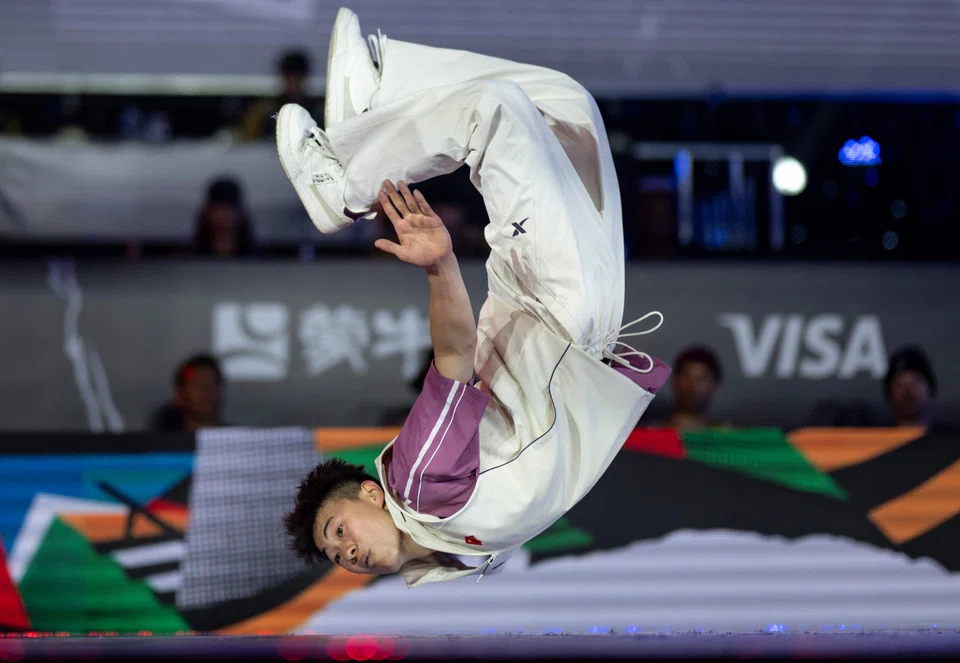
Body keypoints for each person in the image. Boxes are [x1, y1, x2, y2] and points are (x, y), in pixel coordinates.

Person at [280, 7, 670, 587]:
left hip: (551, 307)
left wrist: (440, 265)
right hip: (569, 330)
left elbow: (455, 360)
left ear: (371, 494)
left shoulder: (419, 484)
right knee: (567, 108)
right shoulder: (452, 558)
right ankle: (380, 93)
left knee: (499, 112)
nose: (346, 554)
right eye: (336, 556)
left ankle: (344, 187)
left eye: (338, 530)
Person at [883, 346, 955, 434]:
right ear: (889, 394)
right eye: (900, 384)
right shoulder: (876, 440)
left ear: (931, 388)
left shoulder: (951, 439)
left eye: (915, 382)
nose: (908, 391)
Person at [150, 354, 227, 432]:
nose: (206, 391)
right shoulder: (160, 440)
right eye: (198, 384)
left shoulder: (236, 438)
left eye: (213, 384)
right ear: (179, 394)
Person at [660, 345, 729, 431]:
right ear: (674, 380)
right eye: (686, 377)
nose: (692, 386)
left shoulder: (726, 437)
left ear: (715, 384)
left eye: (701, 379)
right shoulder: (651, 433)